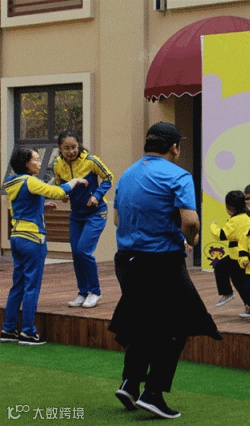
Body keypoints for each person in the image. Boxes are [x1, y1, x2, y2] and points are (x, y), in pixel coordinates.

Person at [108, 122, 222, 419]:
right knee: (176, 325)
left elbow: (117, 220)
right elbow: (191, 221)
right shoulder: (178, 175)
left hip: (126, 261)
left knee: (143, 321)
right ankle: (153, 393)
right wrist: (190, 239)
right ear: (174, 147)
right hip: (161, 261)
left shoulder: (128, 174)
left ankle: (130, 383)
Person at [1, 147, 87, 346]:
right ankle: (28, 332)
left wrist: (41, 205)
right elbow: (57, 191)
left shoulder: (12, 182)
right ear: (26, 163)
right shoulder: (30, 181)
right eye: (36, 160)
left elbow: (21, 206)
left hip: (17, 237)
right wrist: (74, 181)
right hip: (33, 238)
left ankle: (8, 329)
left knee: (18, 285)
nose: (40, 163)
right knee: (32, 286)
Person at [54, 130, 114, 309]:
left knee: (83, 251)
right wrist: (63, 194)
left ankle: (95, 291)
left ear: (79, 145)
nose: (71, 151)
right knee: (76, 253)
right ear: (60, 149)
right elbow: (59, 184)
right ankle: (83, 292)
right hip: (76, 215)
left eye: (74, 147)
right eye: (66, 148)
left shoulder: (91, 160)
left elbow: (108, 178)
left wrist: (97, 195)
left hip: (96, 213)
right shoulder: (57, 164)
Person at [210, 190, 250, 308]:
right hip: (247, 254)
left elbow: (221, 235)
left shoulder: (235, 221)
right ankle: (249, 304)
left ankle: (246, 303)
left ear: (229, 208)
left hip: (237, 256)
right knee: (236, 277)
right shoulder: (249, 217)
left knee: (225, 271)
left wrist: (213, 225)